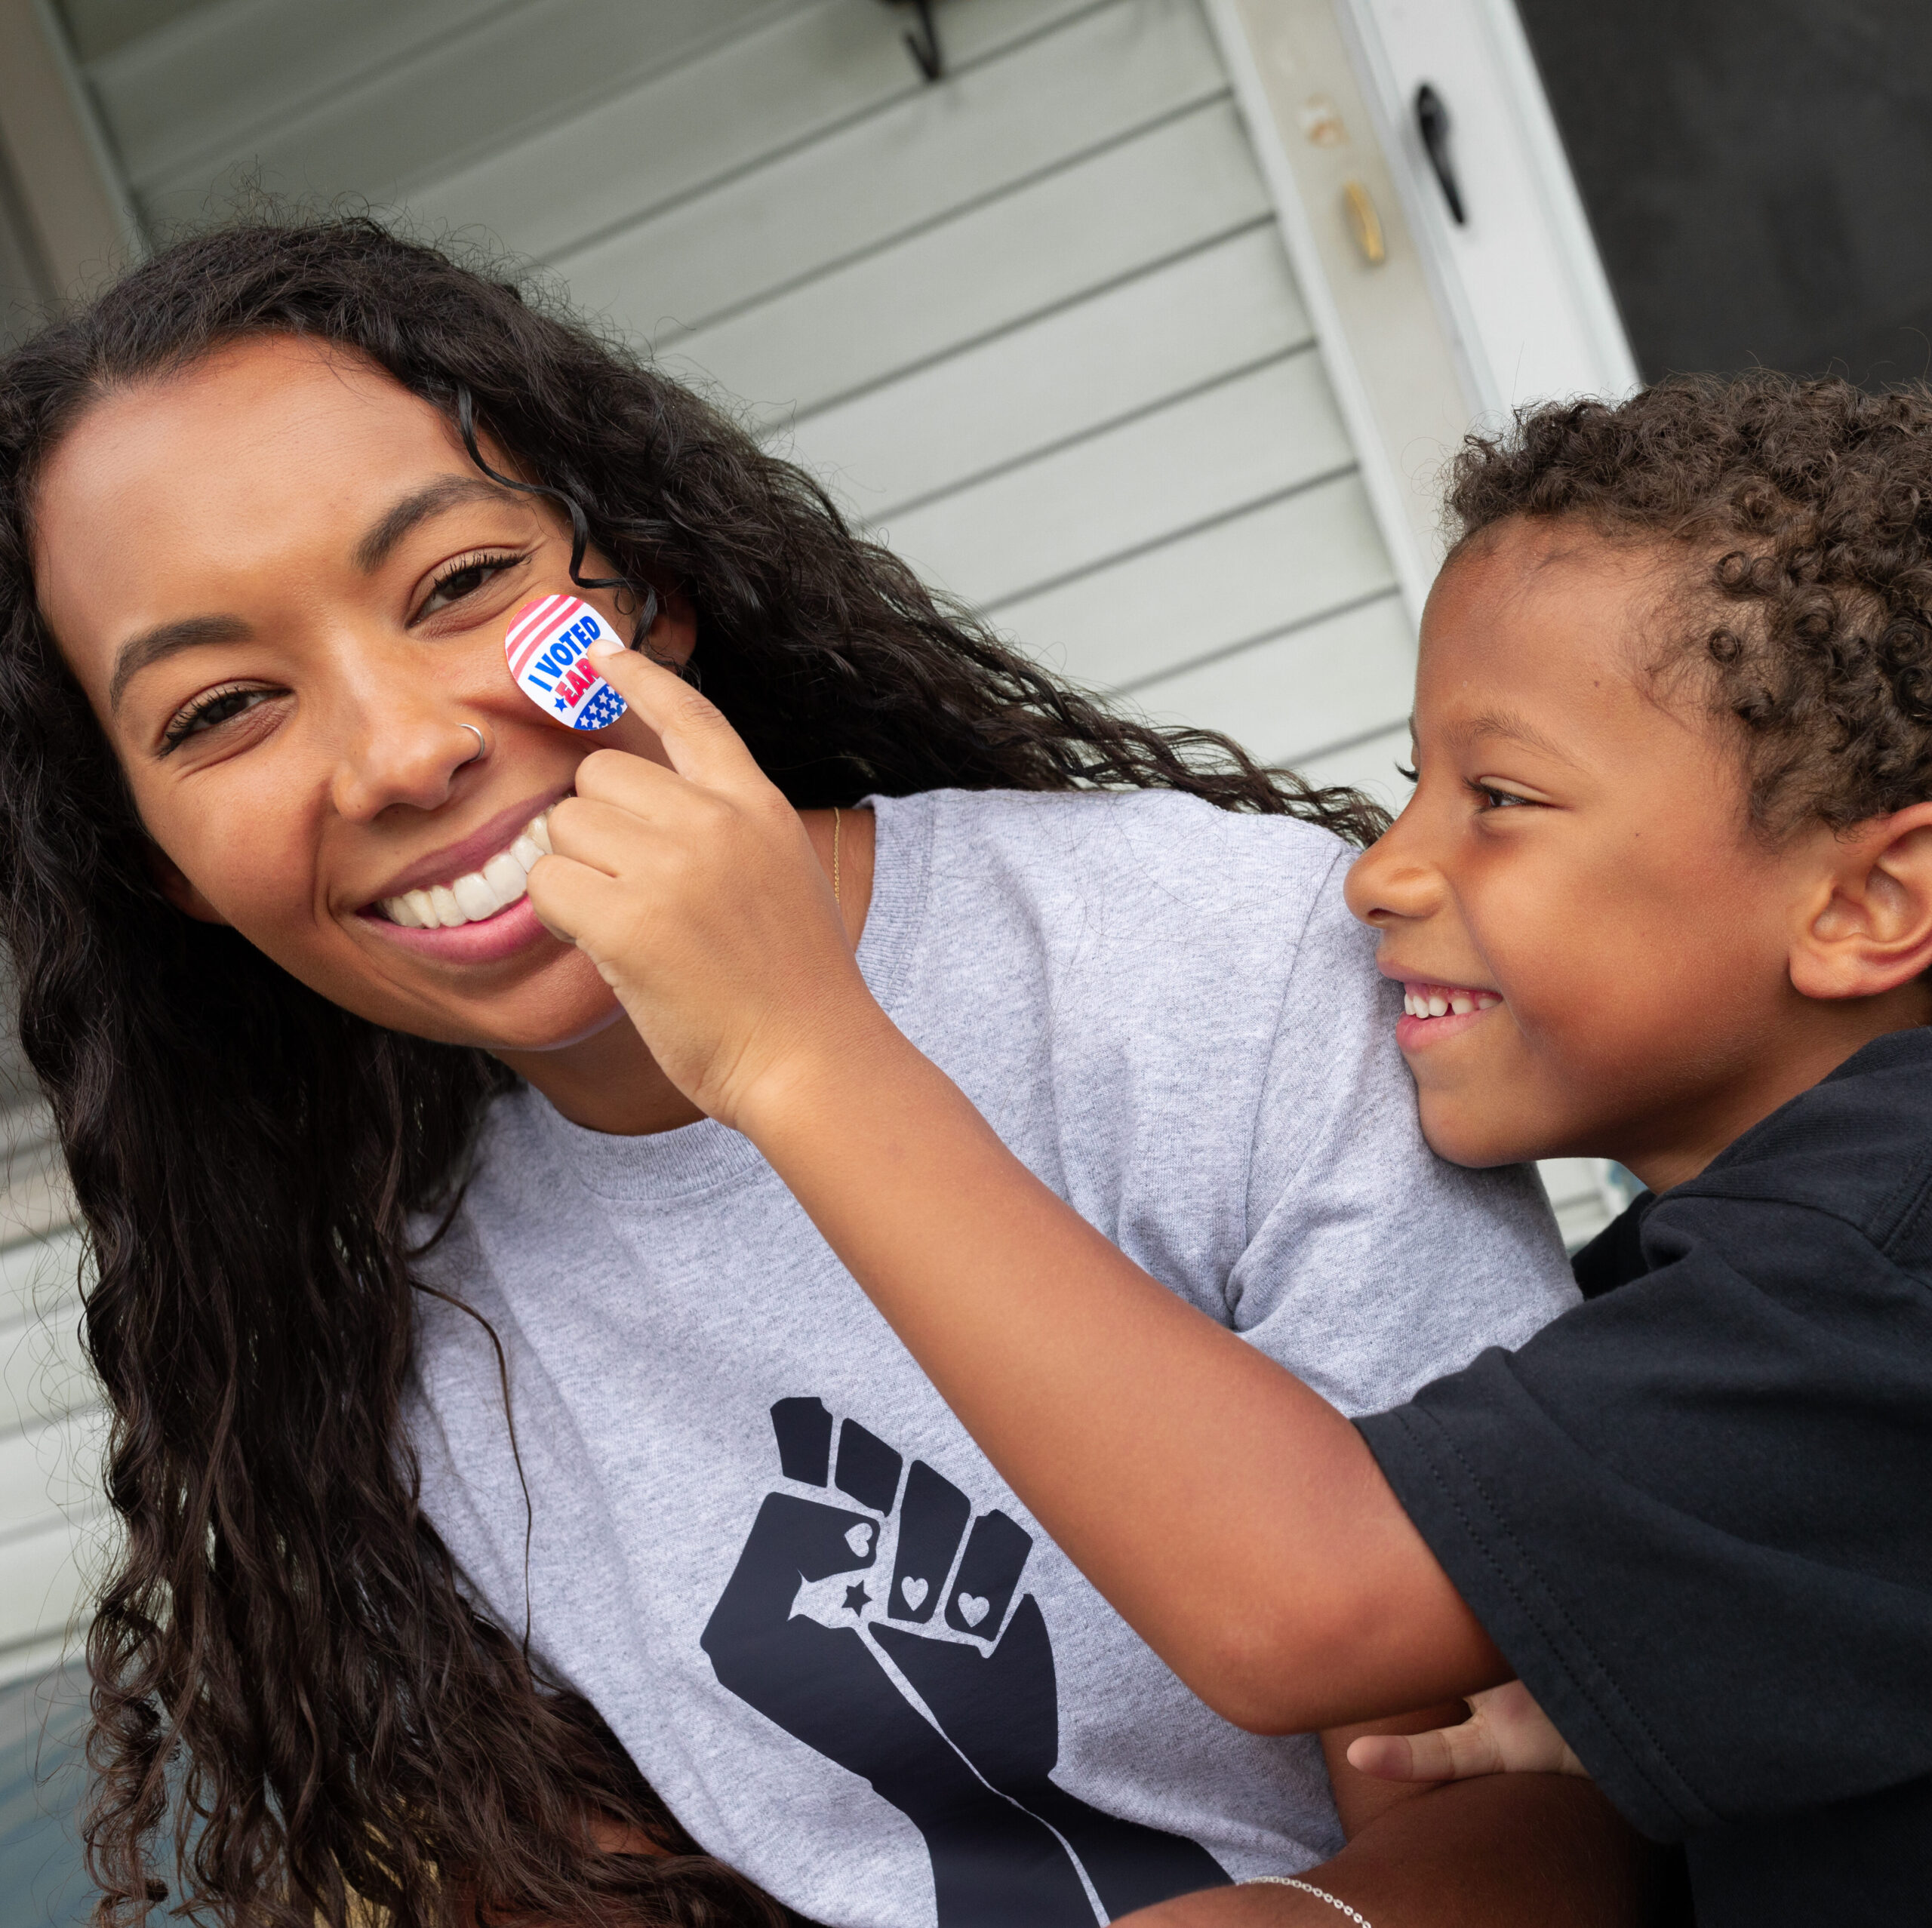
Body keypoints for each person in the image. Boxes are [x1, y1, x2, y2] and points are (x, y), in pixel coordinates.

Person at [0, 219, 1660, 1928]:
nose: (402, 751)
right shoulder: (409, 1338)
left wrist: (793, 1050)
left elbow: (1551, 1809)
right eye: (219, 712)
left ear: (640, 589)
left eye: (456, 587)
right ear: (162, 865)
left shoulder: (1207, 971)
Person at [548, 374, 1932, 1926]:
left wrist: (794, 1045)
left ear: (1867, 906)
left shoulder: (1879, 1261)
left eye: (1499, 797)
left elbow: (1298, 1604)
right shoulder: (1713, 1286)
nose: (1380, 871)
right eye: (1415, 785)